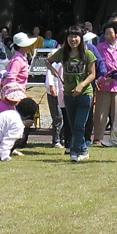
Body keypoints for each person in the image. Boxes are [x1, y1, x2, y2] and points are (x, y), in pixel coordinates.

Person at [47, 26, 98, 162]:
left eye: (76, 36)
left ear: (81, 39)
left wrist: (81, 85)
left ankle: (74, 152)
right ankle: (83, 149)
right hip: (68, 95)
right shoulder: (63, 52)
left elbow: (93, 74)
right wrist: (52, 70)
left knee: (79, 125)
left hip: (85, 94)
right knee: (73, 124)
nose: (73, 39)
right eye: (70, 36)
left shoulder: (88, 54)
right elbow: (48, 61)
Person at [93, 22, 117, 146]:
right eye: (106, 33)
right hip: (104, 83)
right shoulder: (100, 47)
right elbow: (97, 63)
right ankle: (97, 137)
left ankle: (115, 138)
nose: (108, 35)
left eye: (110, 33)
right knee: (101, 113)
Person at [0, 92, 37, 161]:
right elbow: (8, 140)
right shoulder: (18, 124)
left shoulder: (10, 112)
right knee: (20, 136)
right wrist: (5, 157)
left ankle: (9, 151)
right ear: (28, 116)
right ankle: (3, 154)